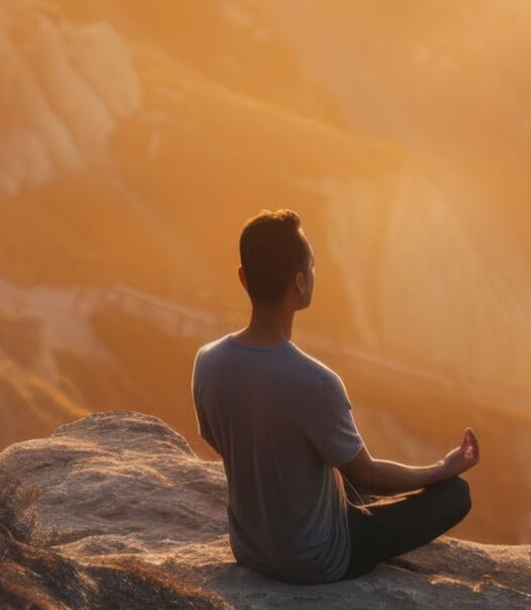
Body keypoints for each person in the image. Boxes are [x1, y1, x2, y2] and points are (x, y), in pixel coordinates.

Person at [190, 209, 477, 584]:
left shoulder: (208, 361)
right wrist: (444, 467)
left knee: (341, 475)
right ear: (300, 282)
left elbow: (219, 440)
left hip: (248, 549)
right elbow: (369, 476)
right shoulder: (316, 382)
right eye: (311, 267)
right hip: (317, 560)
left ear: (243, 279)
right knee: (455, 495)